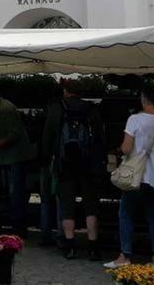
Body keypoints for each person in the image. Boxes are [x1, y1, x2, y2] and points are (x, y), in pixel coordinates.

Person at [105, 81, 154, 270]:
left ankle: (125, 255)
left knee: (126, 213)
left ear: (143, 99)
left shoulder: (134, 120)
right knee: (153, 216)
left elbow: (127, 147)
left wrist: (123, 149)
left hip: (137, 178)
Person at [41, 78, 105, 260]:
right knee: (90, 206)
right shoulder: (91, 110)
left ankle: (70, 245)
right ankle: (93, 246)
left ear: (65, 91)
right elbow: (100, 138)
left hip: (65, 164)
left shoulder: (56, 108)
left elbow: (48, 137)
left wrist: (46, 159)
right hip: (88, 165)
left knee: (67, 206)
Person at [0, 80, 36, 236]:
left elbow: (14, 134)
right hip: (10, 157)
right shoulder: (1, 107)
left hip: (16, 157)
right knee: (14, 192)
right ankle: (16, 226)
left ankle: (18, 228)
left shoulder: (5, 109)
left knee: (16, 193)